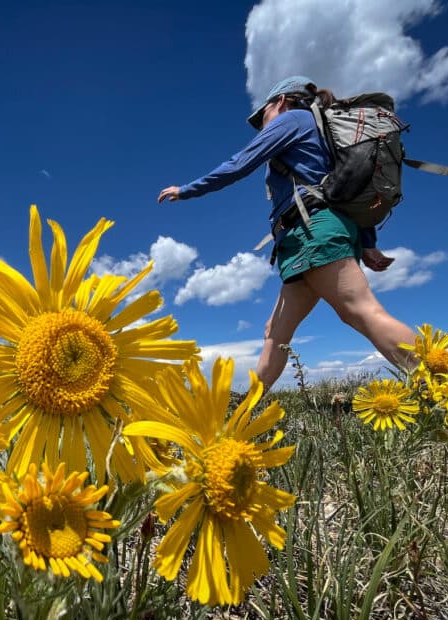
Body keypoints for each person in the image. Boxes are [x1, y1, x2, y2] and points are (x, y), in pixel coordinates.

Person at [158, 75, 415, 389]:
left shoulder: (293, 119)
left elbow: (241, 162)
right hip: (303, 239)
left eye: (263, 114)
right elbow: (340, 190)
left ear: (279, 101)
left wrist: (186, 190)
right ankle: (245, 409)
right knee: (275, 333)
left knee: (360, 310)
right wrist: (368, 242)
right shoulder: (316, 132)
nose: (262, 123)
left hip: (313, 234)